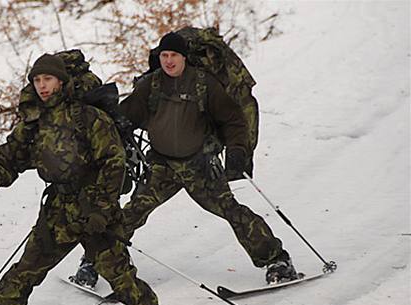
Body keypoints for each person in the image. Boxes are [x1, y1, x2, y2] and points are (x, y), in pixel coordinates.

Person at [0, 53, 186, 305]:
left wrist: (103, 208)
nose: (42, 86)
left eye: (47, 79)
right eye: (37, 80)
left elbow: (113, 162)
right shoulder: (35, 121)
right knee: (25, 272)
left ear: (61, 81)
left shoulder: (88, 117)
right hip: (57, 211)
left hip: (93, 208)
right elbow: (12, 153)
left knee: (120, 276)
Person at [74, 32, 299, 288]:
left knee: (231, 210)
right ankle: (93, 261)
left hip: (199, 165)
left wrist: (238, 150)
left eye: (174, 56)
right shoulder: (151, 85)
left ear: (184, 58)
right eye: (164, 56)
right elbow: (127, 117)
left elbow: (233, 120)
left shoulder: (204, 84)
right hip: (162, 166)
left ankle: (277, 260)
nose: (168, 61)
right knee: (132, 212)